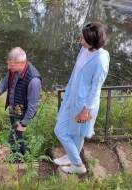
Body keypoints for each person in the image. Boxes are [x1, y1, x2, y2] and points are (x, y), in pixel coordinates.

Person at [53, 22, 110, 174]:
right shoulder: (84, 50)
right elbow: (76, 73)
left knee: (72, 133)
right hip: (72, 98)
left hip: (84, 104)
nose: (81, 41)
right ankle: (71, 157)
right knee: (64, 130)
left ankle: (78, 166)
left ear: (94, 40)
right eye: (82, 37)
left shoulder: (101, 59)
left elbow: (95, 88)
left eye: (84, 39)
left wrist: (86, 109)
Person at [0, 47, 42, 156]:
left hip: (23, 114)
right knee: (15, 134)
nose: (8, 67)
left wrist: (24, 123)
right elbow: (6, 80)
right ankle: (17, 156)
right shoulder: (14, 69)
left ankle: (20, 158)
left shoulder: (34, 81)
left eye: (11, 65)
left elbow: (32, 106)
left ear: (22, 63)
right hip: (14, 108)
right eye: (8, 64)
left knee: (15, 136)